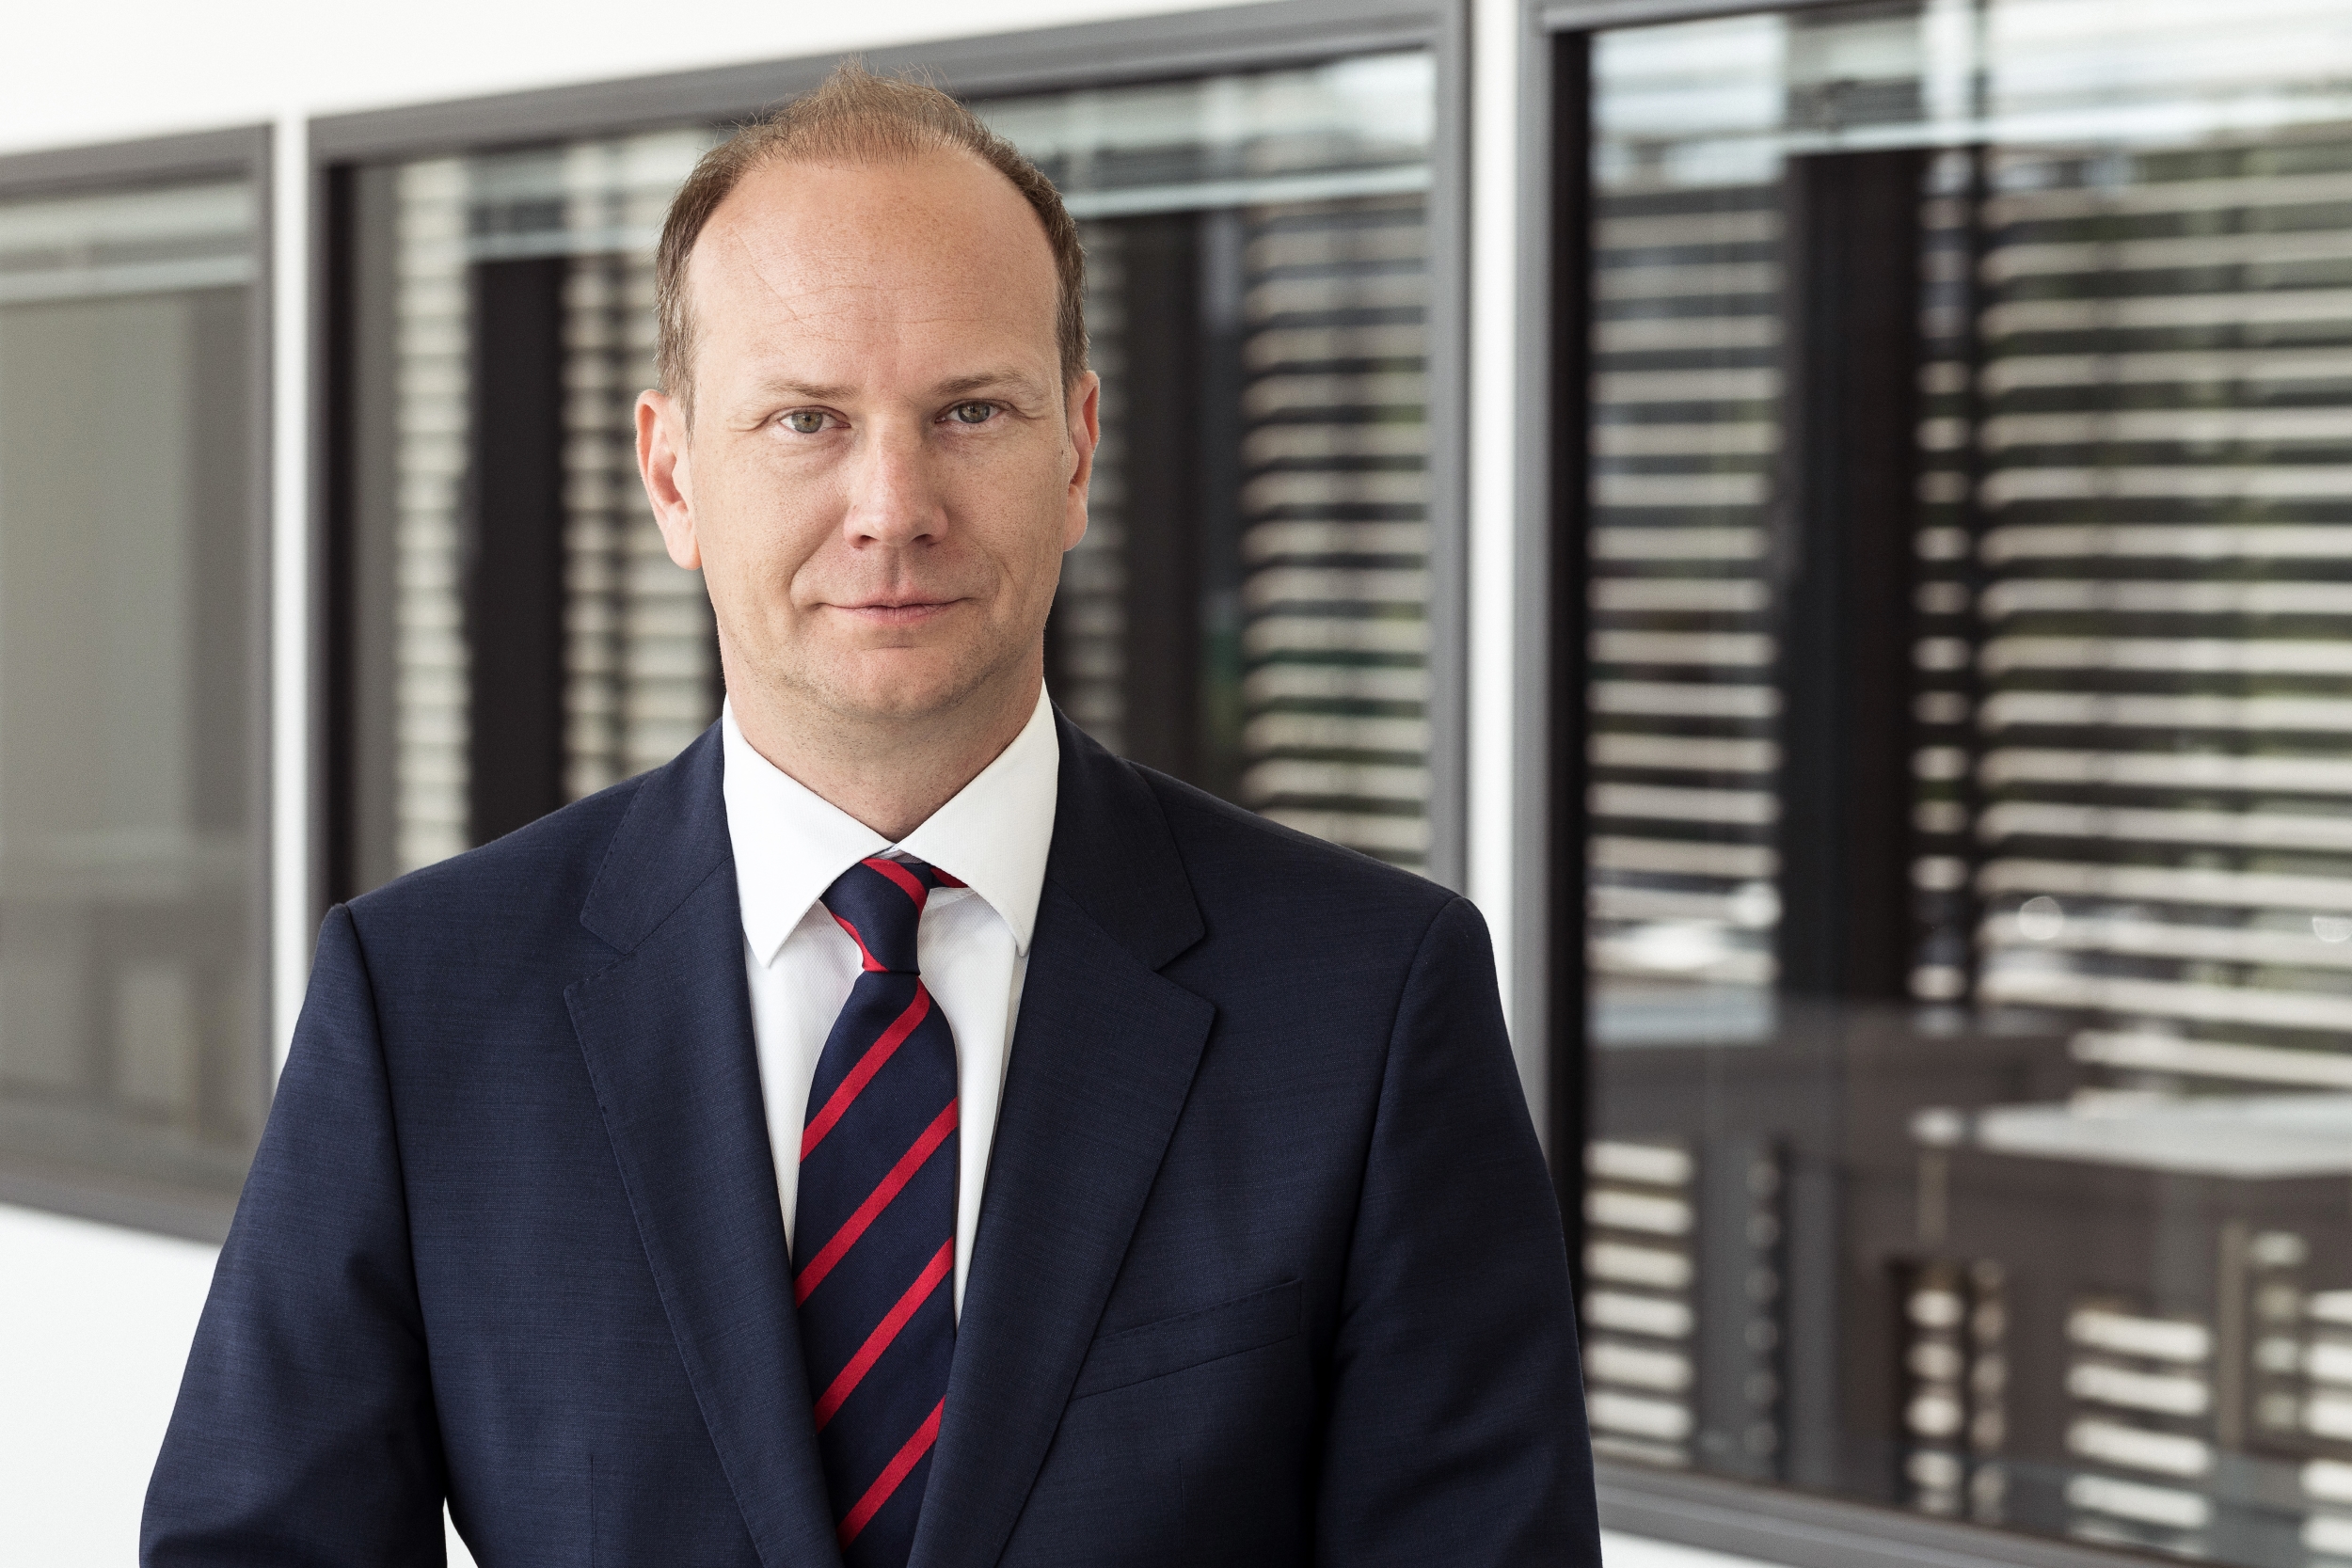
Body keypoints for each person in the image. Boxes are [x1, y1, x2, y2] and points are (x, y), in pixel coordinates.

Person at [143, 63, 1596, 1567]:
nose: (893, 505)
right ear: (671, 474)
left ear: (1078, 448)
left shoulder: (1368, 1003)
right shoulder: (425, 1003)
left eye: (970, 410)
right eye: (805, 419)